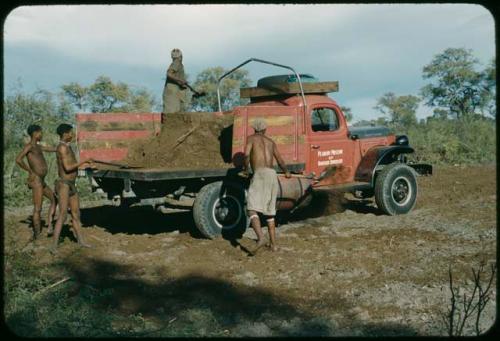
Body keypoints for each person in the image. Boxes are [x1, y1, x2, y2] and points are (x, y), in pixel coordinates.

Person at [243, 118, 291, 254]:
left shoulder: (251, 139)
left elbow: (246, 155)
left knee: (252, 209)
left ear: (254, 129)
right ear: (265, 130)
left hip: (259, 174)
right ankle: (274, 245)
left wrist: (245, 170)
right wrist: (287, 171)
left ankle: (261, 238)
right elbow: (280, 160)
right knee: (270, 211)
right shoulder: (271, 142)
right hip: (272, 175)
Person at [50, 123, 94, 254]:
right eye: (70, 132)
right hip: (63, 184)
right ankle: (53, 246)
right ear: (65, 134)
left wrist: (86, 165)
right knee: (63, 214)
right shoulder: (62, 148)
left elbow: (72, 167)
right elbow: (68, 168)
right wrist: (84, 161)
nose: (72, 134)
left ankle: (81, 241)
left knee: (76, 214)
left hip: (71, 184)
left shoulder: (67, 147)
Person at [16, 124, 58, 240]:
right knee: (38, 208)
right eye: (40, 132)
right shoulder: (29, 146)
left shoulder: (38, 147)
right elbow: (18, 159)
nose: (42, 134)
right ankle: (37, 235)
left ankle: (50, 226)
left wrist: (62, 146)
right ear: (35, 133)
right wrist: (29, 170)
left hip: (42, 181)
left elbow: (51, 149)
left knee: (54, 199)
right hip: (36, 181)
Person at [163, 48, 191, 114]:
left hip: (175, 93)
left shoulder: (177, 64)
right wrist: (180, 80)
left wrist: (182, 82)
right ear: (181, 56)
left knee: (178, 115)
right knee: (172, 116)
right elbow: (169, 74)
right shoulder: (177, 62)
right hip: (172, 94)